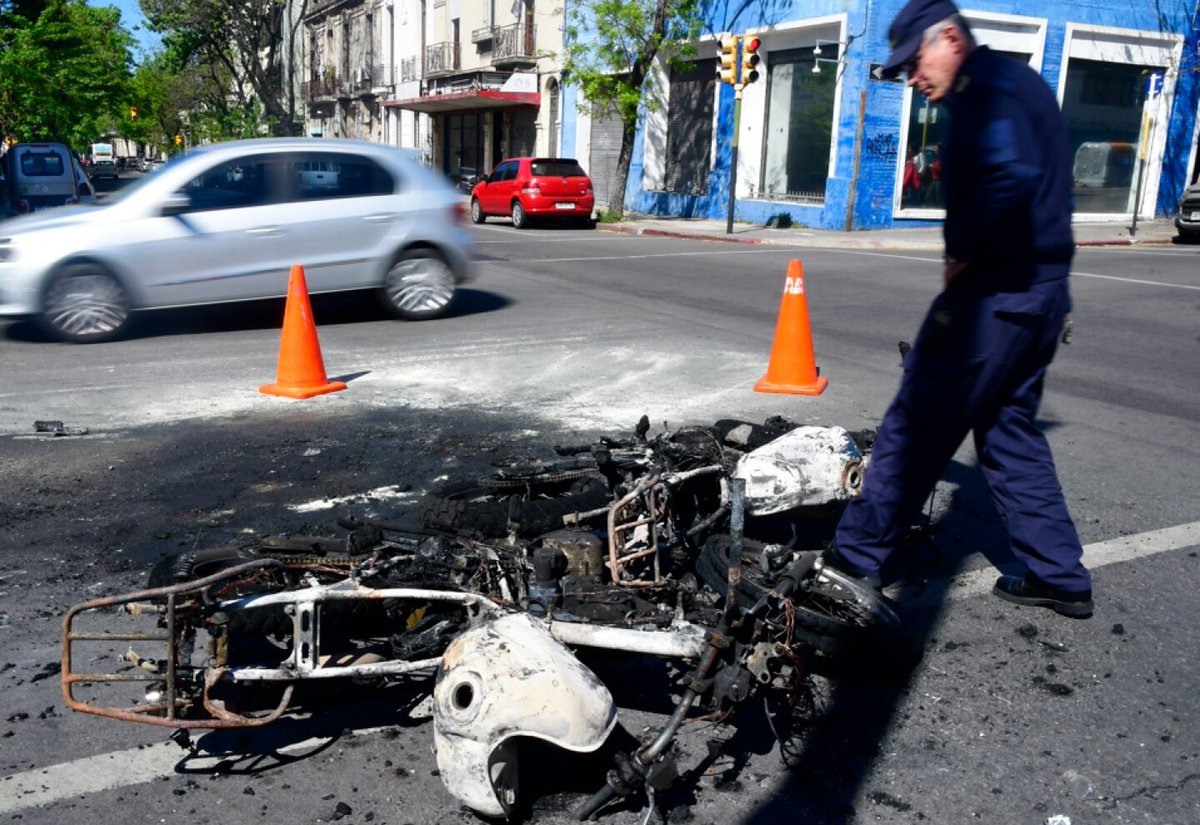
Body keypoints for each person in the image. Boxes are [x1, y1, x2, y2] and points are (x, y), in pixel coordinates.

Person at [824, 0, 1093, 618]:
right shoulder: (1018, 82)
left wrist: (964, 256)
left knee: (916, 425)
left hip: (993, 298)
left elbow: (1010, 176)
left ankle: (852, 560)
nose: (912, 78)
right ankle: (1060, 573)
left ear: (948, 36)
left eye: (915, 61)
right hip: (1042, 294)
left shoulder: (988, 89)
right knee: (1008, 434)